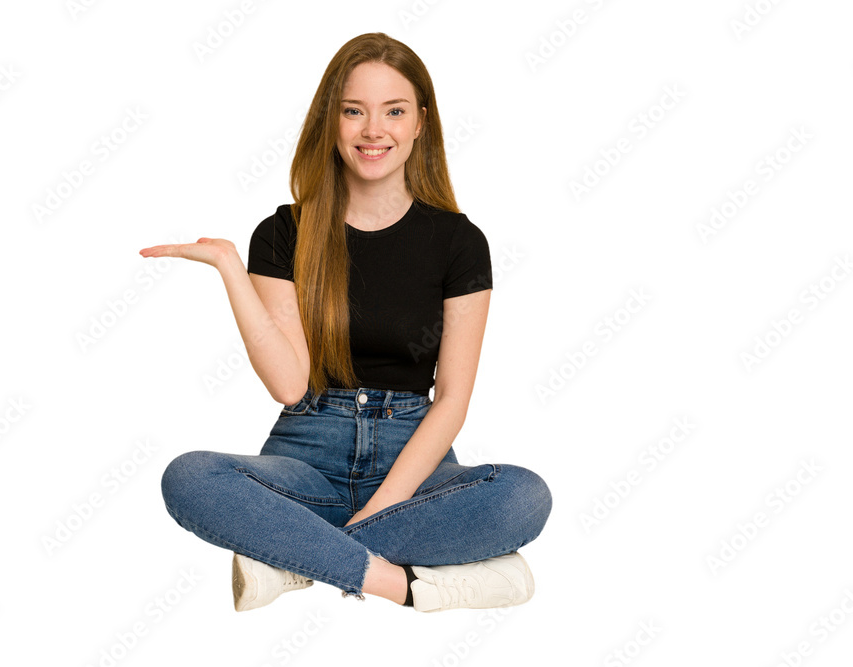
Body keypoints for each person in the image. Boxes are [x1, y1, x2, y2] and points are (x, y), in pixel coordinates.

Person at [141, 32, 552, 613]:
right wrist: (231, 269)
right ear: (330, 121)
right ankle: (403, 584)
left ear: (421, 122)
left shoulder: (458, 242)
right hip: (308, 454)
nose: (373, 130)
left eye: (394, 111)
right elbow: (289, 385)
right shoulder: (283, 233)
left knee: (523, 497)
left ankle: (293, 560)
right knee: (189, 478)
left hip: (416, 462)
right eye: (354, 110)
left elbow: (452, 400)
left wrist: (384, 505)